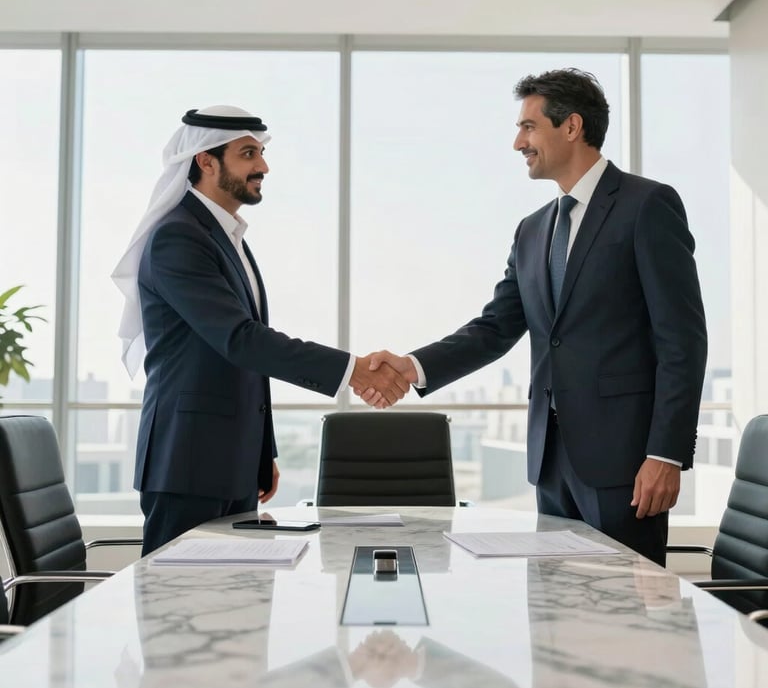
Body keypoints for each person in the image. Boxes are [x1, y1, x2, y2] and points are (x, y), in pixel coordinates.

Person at [364, 69, 707, 566]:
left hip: (626, 465)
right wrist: (412, 366)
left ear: (571, 126)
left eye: (528, 127)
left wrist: (666, 455)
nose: (517, 142)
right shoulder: (533, 230)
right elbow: (495, 328)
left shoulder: (647, 206)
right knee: (554, 618)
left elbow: (683, 341)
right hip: (551, 462)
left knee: (626, 621)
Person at [112, 105, 408, 555]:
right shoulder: (179, 237)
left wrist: (259, 450)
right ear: (205, 161)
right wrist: (354, 370)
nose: (263, 167)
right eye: (248, 154)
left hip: (228, 462)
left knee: (237, 607)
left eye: (262, 154)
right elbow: (240, 339)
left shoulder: (225, 236)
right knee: (176, 614)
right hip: (187, 465)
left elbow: (240, 360)